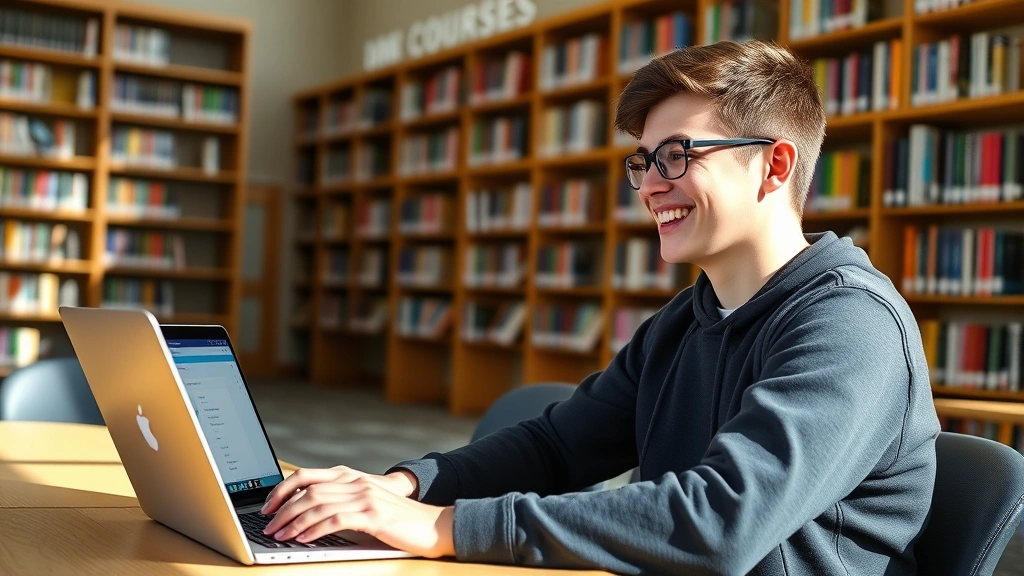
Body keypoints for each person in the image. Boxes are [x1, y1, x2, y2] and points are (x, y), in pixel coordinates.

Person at [260, 39, 940, 574]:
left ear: (775, 165)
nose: (649, 187)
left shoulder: (852, 325)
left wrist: (440, 527)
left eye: (676, 155)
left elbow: (721, 525)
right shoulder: (686, 320)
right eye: (642, 162)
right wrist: (401, 487)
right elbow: (558, 447)